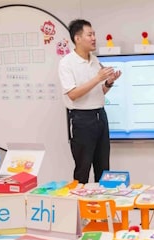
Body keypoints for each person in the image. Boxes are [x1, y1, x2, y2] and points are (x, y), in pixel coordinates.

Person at [58, 19, 121, 184]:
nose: (94, 38)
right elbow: (72, 94)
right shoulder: (67, 63)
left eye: (94, 34)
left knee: (104, 168)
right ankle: (79, 208)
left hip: (100, 116)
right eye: (89, 34)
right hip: (82, 119)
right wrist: (97, 78)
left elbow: (99, 91)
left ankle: (102, 206)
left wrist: (108, 82)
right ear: (77, 38)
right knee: (82, 169)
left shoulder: (94, 60)